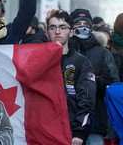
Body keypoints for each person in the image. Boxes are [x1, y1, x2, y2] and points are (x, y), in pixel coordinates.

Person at [46, 9, 96, 145]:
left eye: (63, 27)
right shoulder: (38, 61)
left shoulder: (81, 62)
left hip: (71, 132)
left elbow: (86, 99)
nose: (57, 32)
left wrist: (80, 132)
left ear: (71, 32)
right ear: (47, 32)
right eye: (52, 27)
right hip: (42, 130)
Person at [69, 8, 119, 145]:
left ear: (91, 27)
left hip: (95, 121)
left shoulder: (103, 53)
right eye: (78, 24)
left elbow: (114, 85)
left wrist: (91, 81)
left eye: (86, 24)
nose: (82, 27)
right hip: (67, 120)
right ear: (71, 27)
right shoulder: (64, 51)